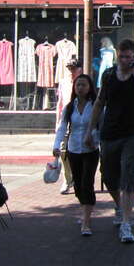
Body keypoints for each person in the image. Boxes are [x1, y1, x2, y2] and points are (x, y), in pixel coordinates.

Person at [86, 39, 134, 244]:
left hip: (133, 134)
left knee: (129, 177)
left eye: (129, 56)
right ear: (117, 55)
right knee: (108, 177)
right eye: (122, 56)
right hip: (110, 133)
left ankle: (126, 222)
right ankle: (119, 205)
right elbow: (99, 103)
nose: (125, 60)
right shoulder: (108, 75)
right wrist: (90, 130)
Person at [53, 74, 100, 236]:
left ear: (90, 88)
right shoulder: (69, 107)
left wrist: (94, 139)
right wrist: (56, 146)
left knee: (87, 183)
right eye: (78, 85)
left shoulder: (95, 105)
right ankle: (86, 208)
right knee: (78, 186)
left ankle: (86, 221)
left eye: (84, 85)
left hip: (90, 150)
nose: (80, 88)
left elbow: (101, 126)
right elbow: (62, 128)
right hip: (73, 149)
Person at [55, 57, 82, 195]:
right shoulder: (64, 82)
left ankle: (78, 179)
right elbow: (60, 103)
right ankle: (67, 179)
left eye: (74, 69)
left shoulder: (83, 83)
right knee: (63, 151)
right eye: (70, 69)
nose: (71, 71)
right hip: (65, 121)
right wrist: (58, 122)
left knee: (77, 152)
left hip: (79, 123)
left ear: (79, 69)